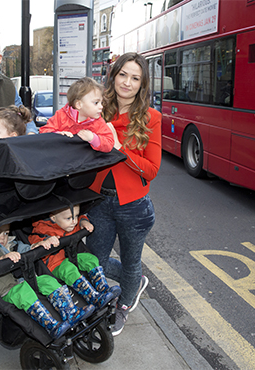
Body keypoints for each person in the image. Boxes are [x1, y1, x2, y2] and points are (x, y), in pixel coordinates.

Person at [85, 52, 161, 336]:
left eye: (135, 78)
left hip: (134, 206)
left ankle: (124, 304)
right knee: (95, 261)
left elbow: (151, 170)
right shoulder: (97, 109)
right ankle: (134, 281)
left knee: (131, 260)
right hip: (98, 200)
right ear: (113, 76)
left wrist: (120, 149)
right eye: (123, 75)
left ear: (142, 84)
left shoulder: (151, 118)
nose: (127, 82)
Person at [0, 224, 93, 339]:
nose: (3, 237)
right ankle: (51, 325)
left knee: (48, 280)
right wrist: (1, 259)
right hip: (8, 288)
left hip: (26, 279)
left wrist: (39, 245)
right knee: (24, 293)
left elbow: (27, 249)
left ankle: (70, 311)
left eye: (6, 233)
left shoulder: (12, 243)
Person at [29, 205, 121, 309]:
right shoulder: (43, 229)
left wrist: (83, 221)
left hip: (72, 256)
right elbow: (33, 242)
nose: (74, 221)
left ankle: (103, 288)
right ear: (53, 218)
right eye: (69, 218)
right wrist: (44, 242)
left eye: (76, 216)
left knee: (91, 259)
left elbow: (81, 218)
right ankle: (92, 296)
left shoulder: (69, 225)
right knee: (70, 269)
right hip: (55, 264)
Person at [39, 77, 115, 153]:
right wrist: (57, 135)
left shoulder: (98, 122)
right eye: (96, 103)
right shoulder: (61, 116)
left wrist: (93, 138)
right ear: (78, 104)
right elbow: (43, 132)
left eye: (101, 102)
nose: (101, 106)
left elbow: (109, 143)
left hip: (85, 162)